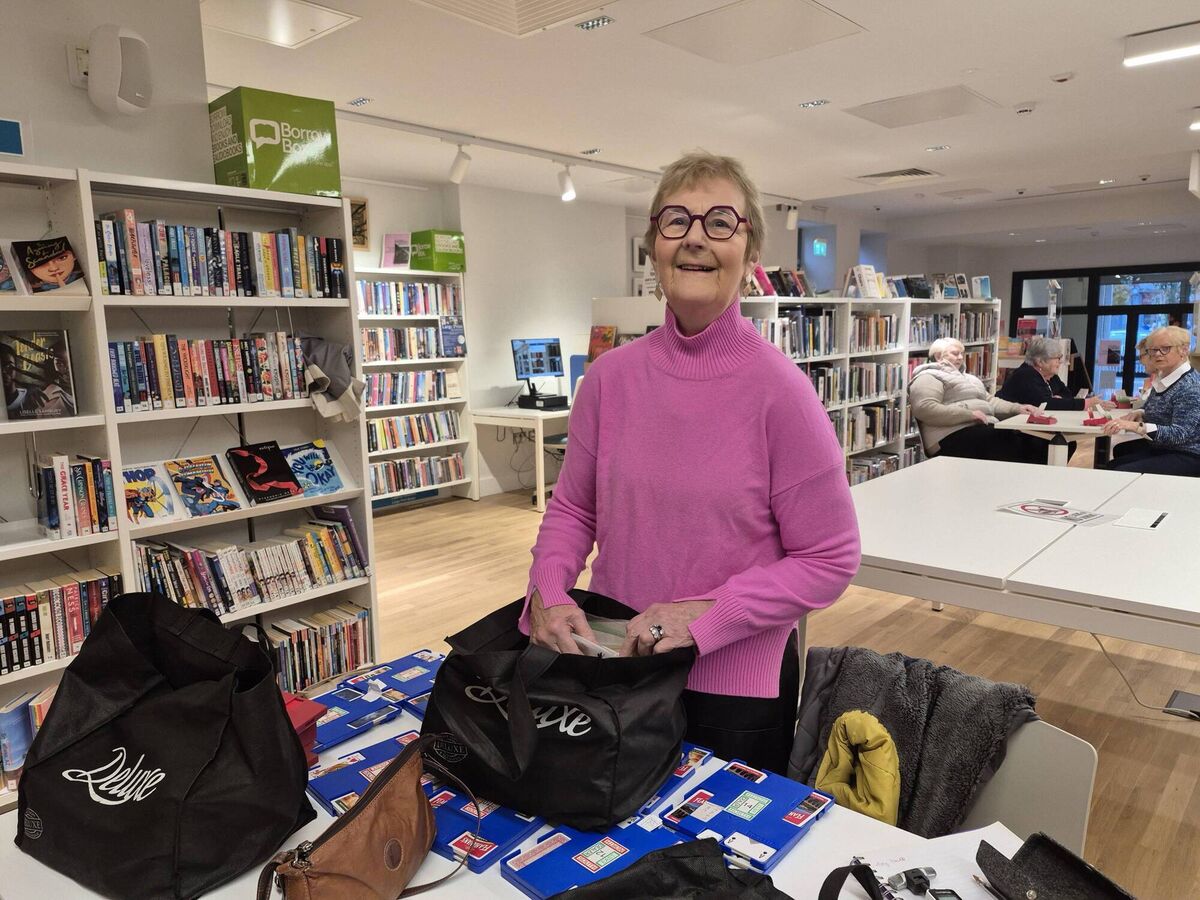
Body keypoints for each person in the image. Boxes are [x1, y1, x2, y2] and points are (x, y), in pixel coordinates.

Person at [523, 151, 861, 774]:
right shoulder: (608, 379)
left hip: (731, 692)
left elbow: (830, 558)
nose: (696, 239)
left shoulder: (781, 392)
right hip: (616, 666)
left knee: (716, 866)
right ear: (654, 245)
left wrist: (708, 614)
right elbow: (573, 506)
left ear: (750, 252)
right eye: (676, 221)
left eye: (721, 223)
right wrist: (546, 589)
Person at [909, 338, 1041, 462]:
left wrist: (1017, 408)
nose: (960, 357)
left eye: (962, 353)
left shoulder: (970, 379)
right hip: (948, 436)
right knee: (1004, 440)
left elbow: (990, 401)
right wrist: (969, 415)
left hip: (976, 430)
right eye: (955, 354)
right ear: (938, 356)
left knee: (1029, 438)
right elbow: (924, 408)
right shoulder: (928, 377)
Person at [1103, 326, 1200, 476]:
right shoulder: (1164, 377)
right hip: (1166, 448)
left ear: (1184, 350)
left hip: (1189, 454)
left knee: (1118, 471)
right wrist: (1140, 413)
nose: (1157, 354)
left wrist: (1137, 426)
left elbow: (1179, 434)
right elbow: (1156, 409)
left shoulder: (1190, 387)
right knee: (1118, 455)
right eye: (1153, 350)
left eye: (1165, 349)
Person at [997, 336, 1109, 412]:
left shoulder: (1050, 375)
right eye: (1056, 358)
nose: (1059, 362)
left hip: (1034, 422)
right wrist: (1087, 402)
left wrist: (1059, 399)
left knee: (1067, 441)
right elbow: (1046, 404)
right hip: (1014, 427)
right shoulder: (1026, 375)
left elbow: (1067, 394)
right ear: (1040, 361)